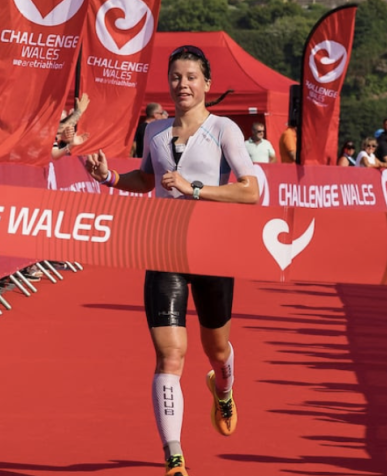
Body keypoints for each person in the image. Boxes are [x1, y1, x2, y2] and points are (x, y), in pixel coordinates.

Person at [83, 45, 258, 476]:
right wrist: (108, 177)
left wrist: (194, 188)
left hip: (212, 248)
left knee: (217, 351)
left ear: (207, 84)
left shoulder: (224, 130)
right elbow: (146, 178)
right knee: (170, 357)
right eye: (176, 77)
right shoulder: (156, 131)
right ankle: (174, 455)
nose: (183, 85)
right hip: (164, 249)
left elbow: (251, 191)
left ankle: (223, 389)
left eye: (191, 77)